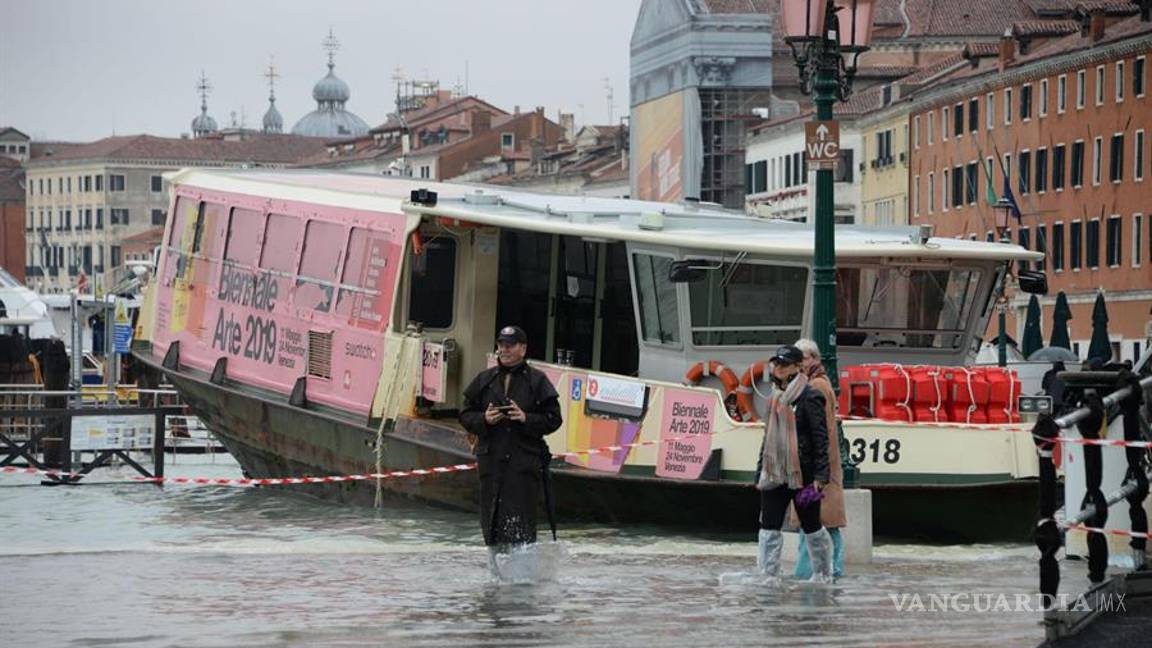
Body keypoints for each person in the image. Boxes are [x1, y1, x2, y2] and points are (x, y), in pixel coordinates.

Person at [460, 325, 563, 565]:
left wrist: (526, 418)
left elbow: (554, 419)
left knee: (522, 524)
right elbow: (465, 415)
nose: (504, 350)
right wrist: (484, 420)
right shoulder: (485, 380)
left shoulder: (537, 381)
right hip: (491, 462)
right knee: (492, 523)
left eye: (510, 345)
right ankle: (495, 581)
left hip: (523, 462)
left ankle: (522, 585)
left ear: (523, 349)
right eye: (501, 345)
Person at [754, 344, 834, 582]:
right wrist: (759, 472)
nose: (777, 368)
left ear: (797, 367)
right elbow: (767, 438)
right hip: (775, 473)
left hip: (805, 476)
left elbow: (821, 439)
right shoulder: (774, 398)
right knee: (769, 527)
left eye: (783, 364)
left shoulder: (810, 396)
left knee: (811, 526)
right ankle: (768, 576)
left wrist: (821, 476)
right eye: (775, 363)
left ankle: (823, 575)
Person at [789, 338, 847, 579]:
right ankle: (829, 570)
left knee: (812, 521)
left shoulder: (816, 388)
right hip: (823, 469)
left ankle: (808, 573)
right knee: (822, 522)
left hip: (817, 472)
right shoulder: (820, 384)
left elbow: (818, 432)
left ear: (813, 358)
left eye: (801, 359)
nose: (798, 365)